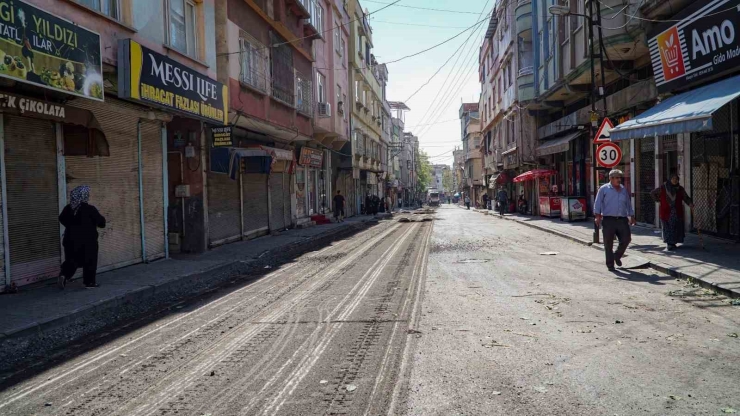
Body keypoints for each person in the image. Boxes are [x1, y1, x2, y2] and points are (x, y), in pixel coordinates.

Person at [58, 185, 106, 289]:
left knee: (72, 259)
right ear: (83, 196)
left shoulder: (68, 208)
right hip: (88, 241)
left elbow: (61, 218)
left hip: (69, 240)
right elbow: (102, 223)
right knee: (90, 261)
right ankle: (89, 283)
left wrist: (71, 226)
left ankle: (64, 275)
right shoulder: (90, 209)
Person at [594, 169, 636, 271]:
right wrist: (597, 216)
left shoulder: (623, 189)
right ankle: (610, 265)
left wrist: (632, 215)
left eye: (620, 178)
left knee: (626, 239)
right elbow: (598, 203)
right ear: (611, 178)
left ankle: (617, 255)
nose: (619, 180)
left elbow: (628, 203)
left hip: (622, 219)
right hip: (608, 220)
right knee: (608, 243)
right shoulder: (604, 189)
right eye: (617, 178)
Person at [652, 172, 694, 251]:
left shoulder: (680, 189)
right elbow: (653, 193)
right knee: (668, 227)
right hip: (666, 212)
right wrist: (659, 200)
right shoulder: (663, 188)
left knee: (676, 227)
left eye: (676, 179)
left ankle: (673, 242)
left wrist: (690, 203)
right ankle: (669, 243)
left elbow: (686, 197)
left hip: (677, 212)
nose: (675, 180)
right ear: (670, 179)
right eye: (673, 179)